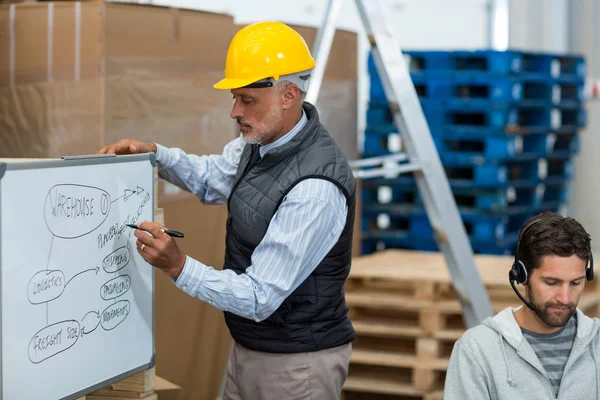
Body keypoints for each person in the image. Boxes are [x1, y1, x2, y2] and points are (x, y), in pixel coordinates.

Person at [98, 21, 355, 400]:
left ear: (287, 95)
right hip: (252, 348)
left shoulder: (314, 189)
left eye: (247, 100)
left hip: (296, 366)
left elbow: (258, 297)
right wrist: (156, 153)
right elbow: (212, 177)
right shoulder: (259, 143)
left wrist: (178, 266)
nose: (234, 111)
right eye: (234, 97)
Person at [444, 211, 600, 399]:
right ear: (522, 277)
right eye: (551, 283)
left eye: (576, 283)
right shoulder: (477, 350)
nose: (565, 298)